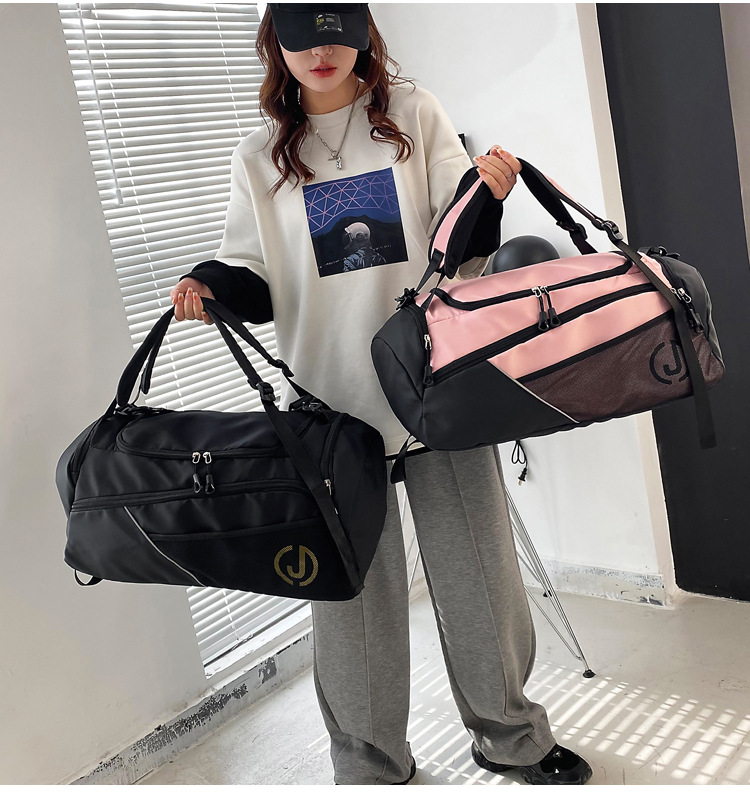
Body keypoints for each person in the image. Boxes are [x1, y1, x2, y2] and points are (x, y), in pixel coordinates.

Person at [170, 4, 592, 786]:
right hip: (328, 404)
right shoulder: (259, 157)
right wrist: (210, 283)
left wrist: (488, 195)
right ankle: (369, 761)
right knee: (352, 594)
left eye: (339, 29)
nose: (323, 49)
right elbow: (255, 275)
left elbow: (459, 241)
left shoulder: (411, 114)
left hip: (434, 382)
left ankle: (511, 735)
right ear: (276, 43)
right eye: (304, 35)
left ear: (364, 33)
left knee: (479, 573)